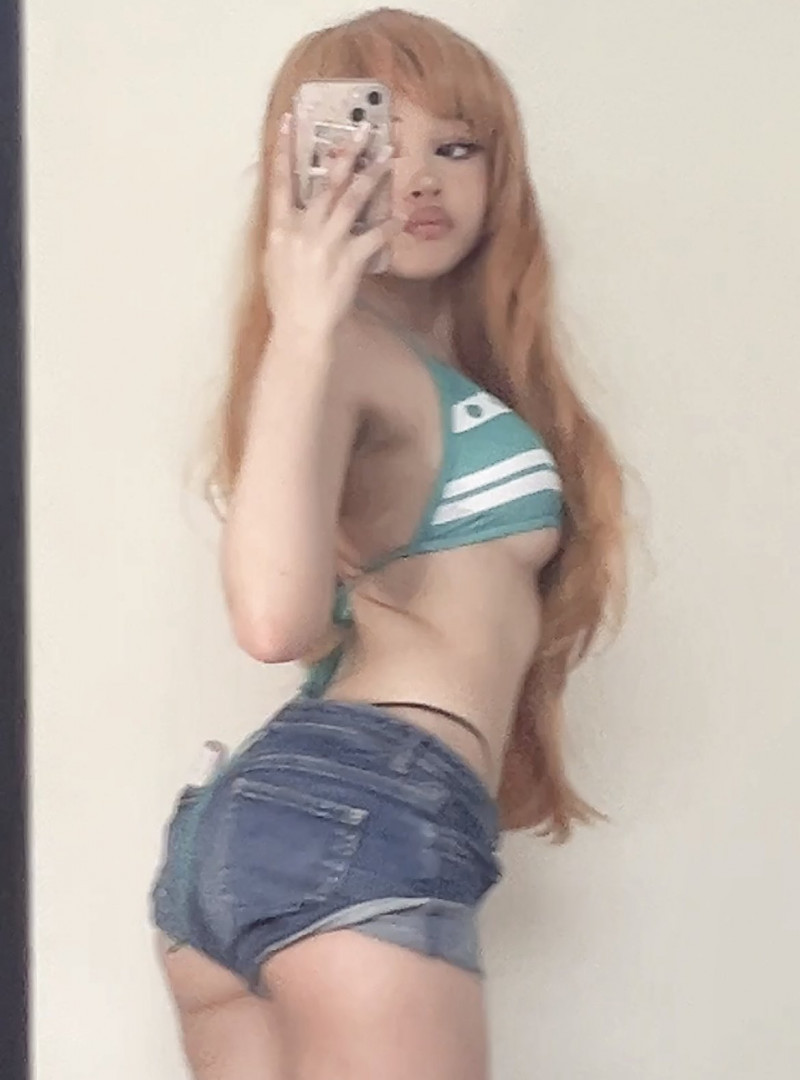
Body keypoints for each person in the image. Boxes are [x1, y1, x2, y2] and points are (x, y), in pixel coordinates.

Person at [149, 7, 627, 1079]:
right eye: (375, 144)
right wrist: (305, 318)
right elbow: (273, 620)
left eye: (454, 147)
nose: (416, 180)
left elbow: (314, 610)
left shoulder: (401, 366)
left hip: (256, 829)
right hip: (357, 808)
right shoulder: (342, 352)